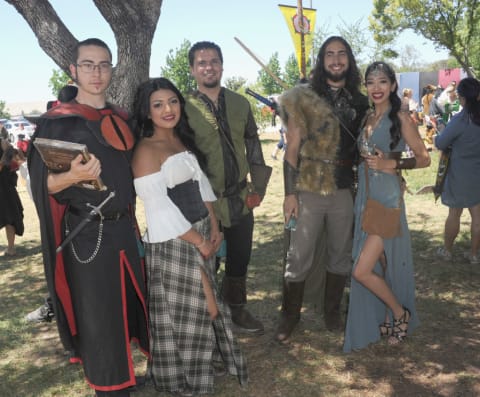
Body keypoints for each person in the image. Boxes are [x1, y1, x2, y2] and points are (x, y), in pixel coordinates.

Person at [28, 38, 149, 396]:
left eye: (103, 64)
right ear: (73, 71)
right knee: (99, 318)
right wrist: (74, 177)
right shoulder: (57, 123)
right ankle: (110, 387)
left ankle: (123, 373)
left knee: (125, 308)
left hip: (124, 230)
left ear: (112, 69)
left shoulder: (123, 117)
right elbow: (42, 184)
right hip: (88, 235)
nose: (96, 72)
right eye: (88, 65)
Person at [131, 77, 248, 396]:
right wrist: (198, 241)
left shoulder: (182, 139)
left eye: (172, 101)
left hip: (201, 231)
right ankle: (185, 376)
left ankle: (202, 364)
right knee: (201, 310)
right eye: (158, 104)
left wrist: (214, 225)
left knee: (200, 309)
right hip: (174, 242)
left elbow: (202, 186)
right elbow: (158, 207)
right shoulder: (145, 150)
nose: (168, 109)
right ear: (146, 111)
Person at [274, 36, 370, 342]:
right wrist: (290, 193)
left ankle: (332, 313)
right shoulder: (305, 97)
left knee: (340, 253)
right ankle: (289, 318)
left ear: (349, 60)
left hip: (344, 187)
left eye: (342, 54)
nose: (336, 59)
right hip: (309, 186)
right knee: (299, 254)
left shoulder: (360, 100)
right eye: (330, 54)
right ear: (322, 60)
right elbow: (291, 151)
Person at [343, 61, 430, 352]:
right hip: (366, 196)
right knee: (380, 264)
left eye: (382, 82)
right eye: (370, 82)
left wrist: (391, 163)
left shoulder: (400, 118)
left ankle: (399, 312)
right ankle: (385, 314)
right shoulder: (367, 116)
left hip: (387, 199)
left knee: (361, 270)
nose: (376, 88)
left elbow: (423, 158)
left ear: (393, 85)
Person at [185, 41, 268, 335]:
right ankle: (208, 318)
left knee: (240, 257)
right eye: (202, 62)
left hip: (240, 198)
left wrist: (258, 189)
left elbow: (253, 148)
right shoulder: (183, 108)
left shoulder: (240, 103)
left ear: (222, 65)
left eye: (214, 61)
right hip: (203, 203)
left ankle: (238, 309)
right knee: (207, 260)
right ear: (193, 69)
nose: (209, 67)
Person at [25, 84, 81, 324]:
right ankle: (55, 305)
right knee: (62, 258)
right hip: (58, 207)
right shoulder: (51, 130)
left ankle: (58, 304)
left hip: (78, 210)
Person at [434, 77, 480, 265]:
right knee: (477, 216)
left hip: (460, 174)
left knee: (454, 214)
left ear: (461, 98)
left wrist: (441, 129)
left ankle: (447, 250)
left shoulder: (461, 119)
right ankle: (474, 254)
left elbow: (441, 143)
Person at [0, 128, 24, 256]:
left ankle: (11, 248)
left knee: (9, 217)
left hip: (4, 186)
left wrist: (2, 163)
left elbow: (12, 152)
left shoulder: (2, 142)